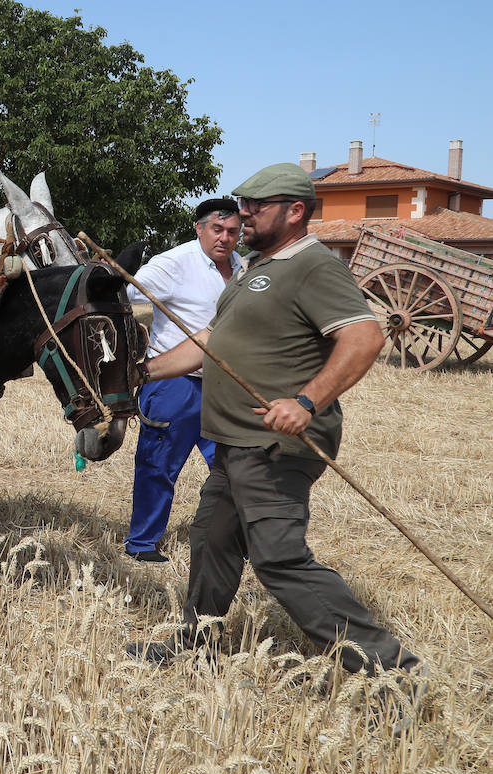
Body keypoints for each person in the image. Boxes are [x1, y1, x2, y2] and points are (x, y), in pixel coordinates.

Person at [126, 163, 420, 681]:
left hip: (275, 444)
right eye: (243, 205)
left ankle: (390, 674)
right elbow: (209, 343)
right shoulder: (252, 269)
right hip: (236, 441)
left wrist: (305, 403)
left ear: (295, 210)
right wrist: (141, 374)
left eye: (255, 207)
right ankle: (200, 643)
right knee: (213, 538)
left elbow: (365, 337)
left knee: (278, 558)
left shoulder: (314, 267)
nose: (243, 215)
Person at [123, 199, 241, 563]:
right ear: (199, 228)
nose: (224, 238)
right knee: (158, 464)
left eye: (232, 231)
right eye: (217, 230)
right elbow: (124, 293)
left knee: (235, 467)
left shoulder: (244, 267)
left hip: (225, 386)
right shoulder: (173, 263)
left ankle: (235, 540)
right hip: (175, 383)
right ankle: (142, 544)